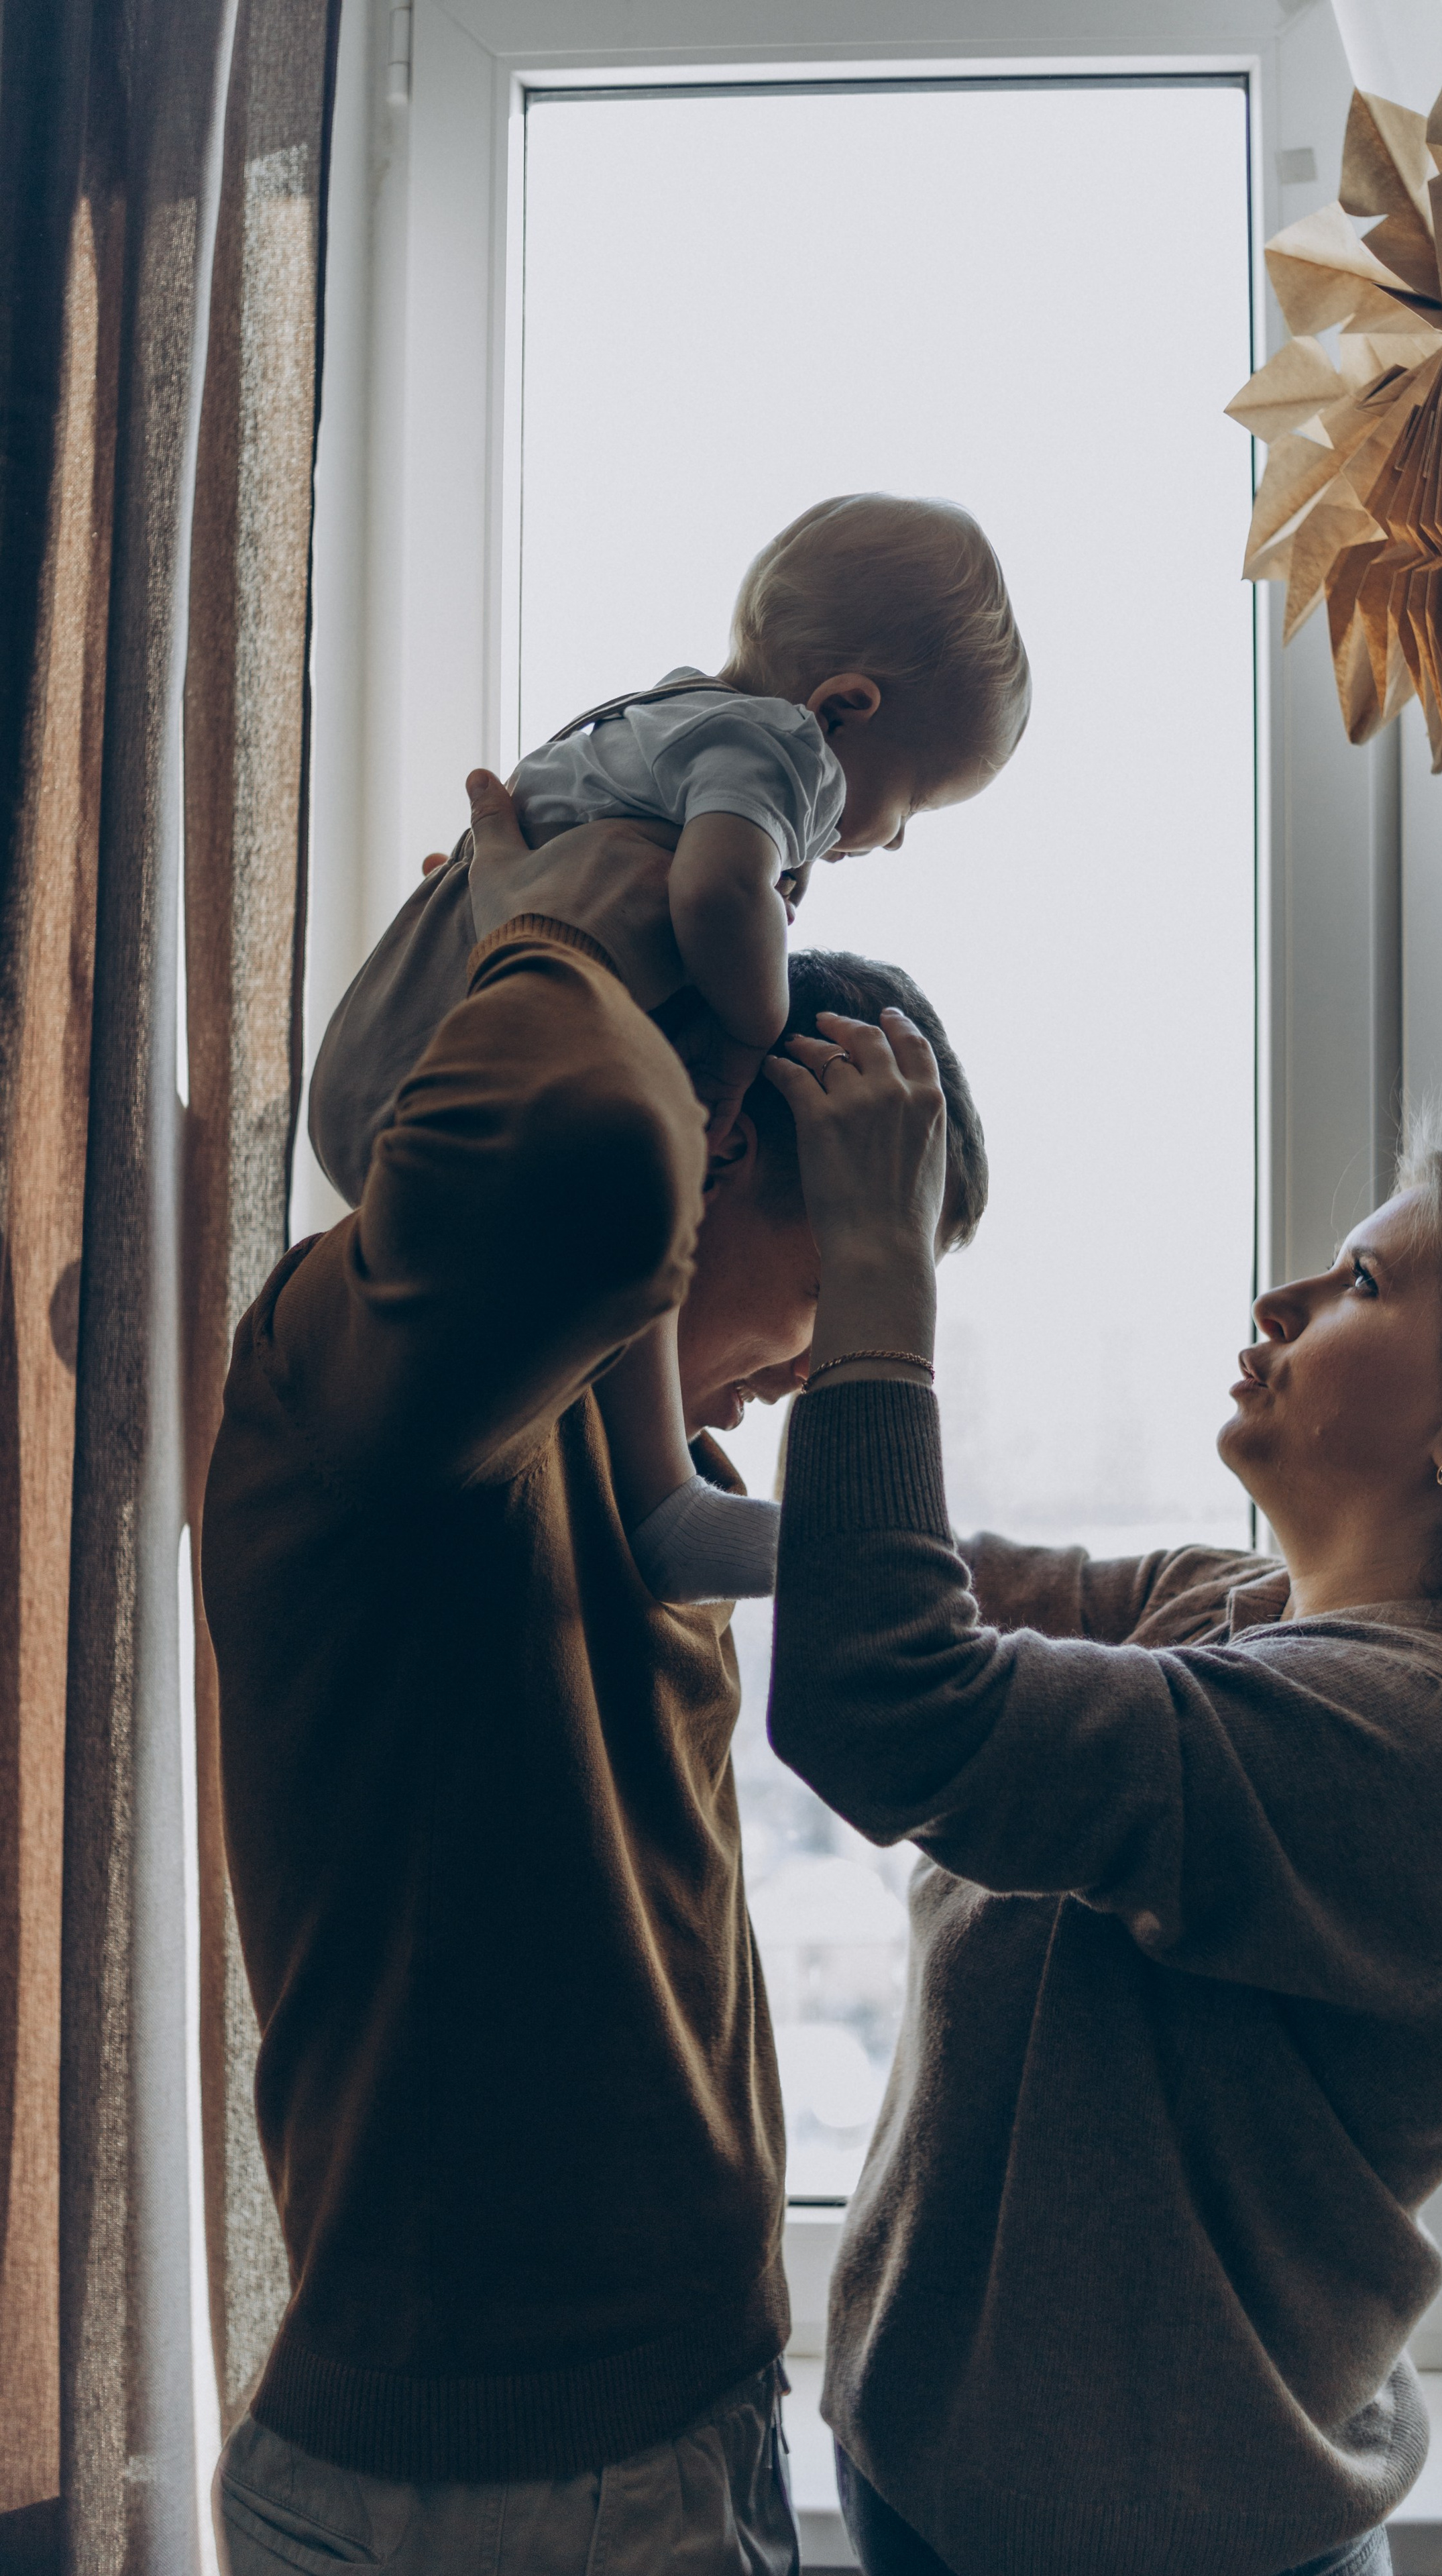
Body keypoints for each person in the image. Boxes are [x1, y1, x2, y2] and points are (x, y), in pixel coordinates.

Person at [758, 1013, 1442, 2576]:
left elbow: (888, 1700)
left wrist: (880, 1273)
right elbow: (939, 1586)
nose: (1278, 1297)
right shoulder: (1238, 1613)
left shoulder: (1428, 1753)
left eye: (1361, 1283)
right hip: (976, 2515)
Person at [200, 784, 987, 2576]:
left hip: (652, 2431)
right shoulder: (380, 1394)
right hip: (528, 2491)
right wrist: (552, 932)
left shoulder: (641, 1473)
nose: (808, 1362)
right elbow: (583, 1167)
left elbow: (883, 1575)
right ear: (728, 1146)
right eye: (849, 1242)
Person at [311, 492, 1028, 1611]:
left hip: (393, 1065)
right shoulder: (776, 754)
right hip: (425, 1092)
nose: (807, 1376)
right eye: (830, 1287)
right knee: (666, 1437)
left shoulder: (663, 720)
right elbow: (712, 894)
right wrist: (742, 1024)